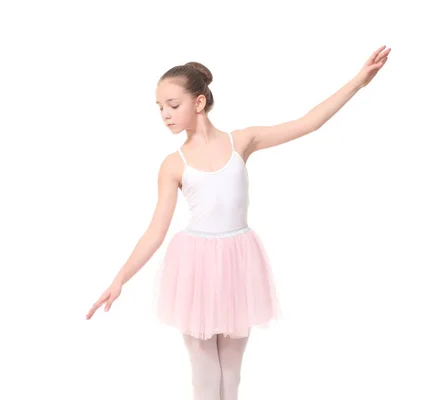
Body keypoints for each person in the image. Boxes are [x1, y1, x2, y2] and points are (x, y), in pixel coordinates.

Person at [86, 45, 391, 400]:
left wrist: (359, 82)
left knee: (230, 379)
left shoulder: (241, 141)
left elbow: (308, 123)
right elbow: (156, 229)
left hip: (239, 262)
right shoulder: (173, 164)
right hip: (196, 267)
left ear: (198, 103)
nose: (164, 115)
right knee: (205, 378)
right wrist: (120, 279)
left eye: (172, 105)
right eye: (159, 108)